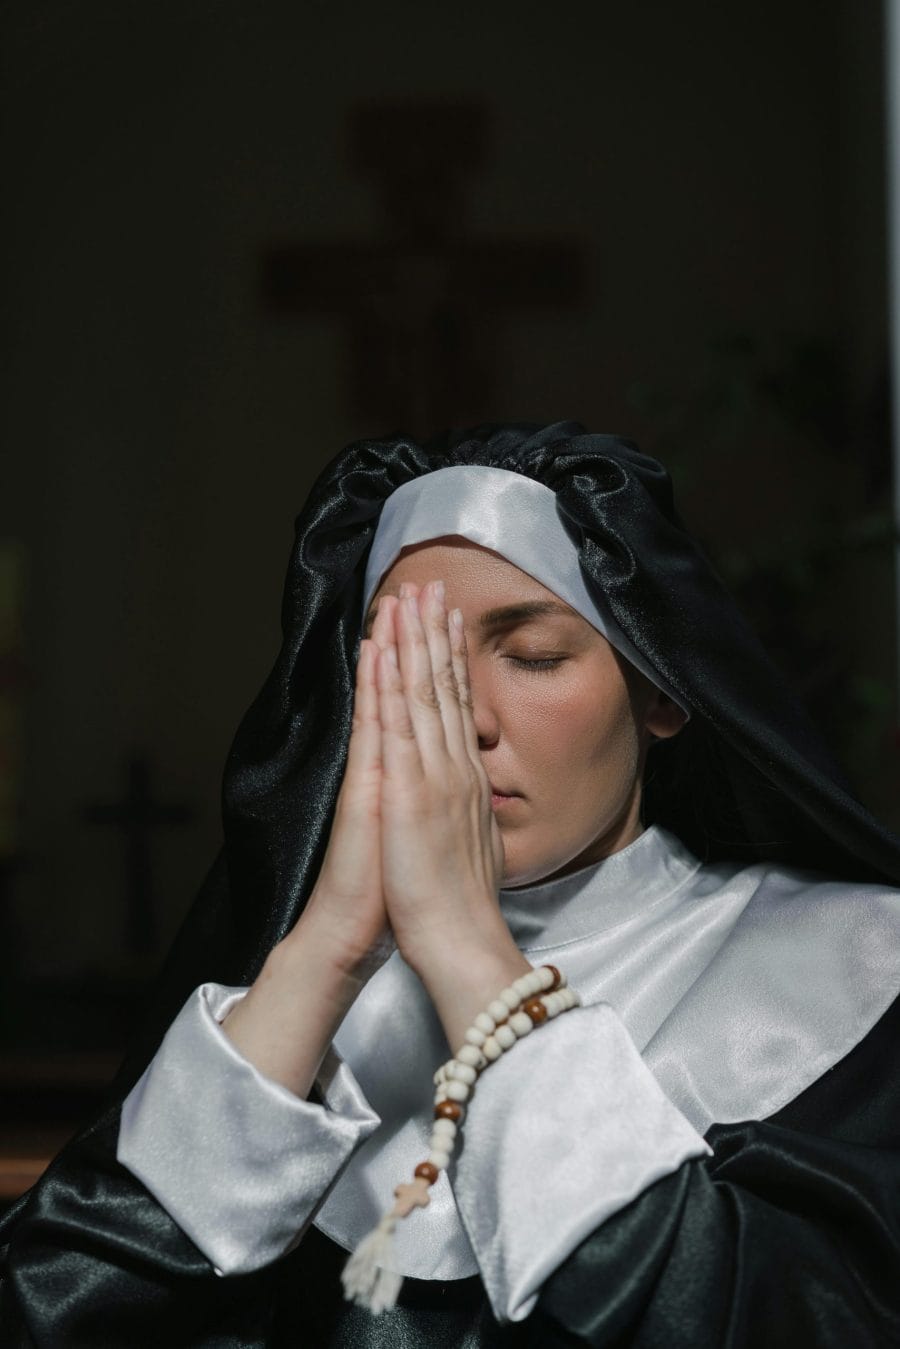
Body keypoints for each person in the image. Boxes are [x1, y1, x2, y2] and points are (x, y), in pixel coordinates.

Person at [2, 421, 900, 1347]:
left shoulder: (859, 968)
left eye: (534, 655)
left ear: (663, 687)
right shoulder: (293, 1008)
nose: (460, 720)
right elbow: (46, 1313)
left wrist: (467, 946)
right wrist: (328, 947)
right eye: (407, 665)